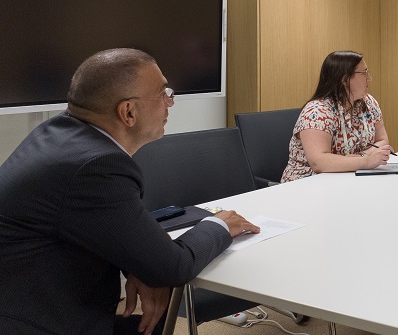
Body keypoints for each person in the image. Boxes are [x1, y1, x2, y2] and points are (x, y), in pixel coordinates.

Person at [0, 48, 259, 335]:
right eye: (164, 93)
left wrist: (138, 264)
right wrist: (219, 223)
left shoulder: (60, 133)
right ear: (128, 112)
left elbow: (107, 225)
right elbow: (172, 267)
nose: (170, 103)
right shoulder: (97, 166)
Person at [280, 51, 393, 181]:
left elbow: (383, 142)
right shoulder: (317, 112)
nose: (369, 78)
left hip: (348, 179)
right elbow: (319, 162)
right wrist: (367, 161)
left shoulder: (368, 103)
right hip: (306, 185)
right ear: (344, 80)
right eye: (364, 73)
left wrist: (360, 157)